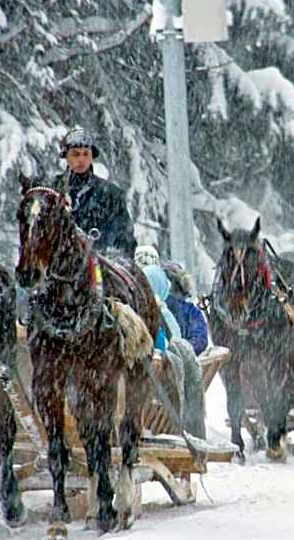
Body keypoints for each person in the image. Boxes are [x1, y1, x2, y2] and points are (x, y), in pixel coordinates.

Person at [143, 263, 206, 439]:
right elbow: (186, 339)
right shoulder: (167, 310)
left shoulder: (154, 309)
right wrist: (184, 348)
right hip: (162, 371)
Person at [60, 127, 137, 259]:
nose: (81, 160)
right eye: (75, 154)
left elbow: (125, 238)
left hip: (101, 266)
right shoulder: (53, 191)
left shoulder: (111, 195)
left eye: (86, 154)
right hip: (59, 266)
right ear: (66, 157)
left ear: (92, 156)